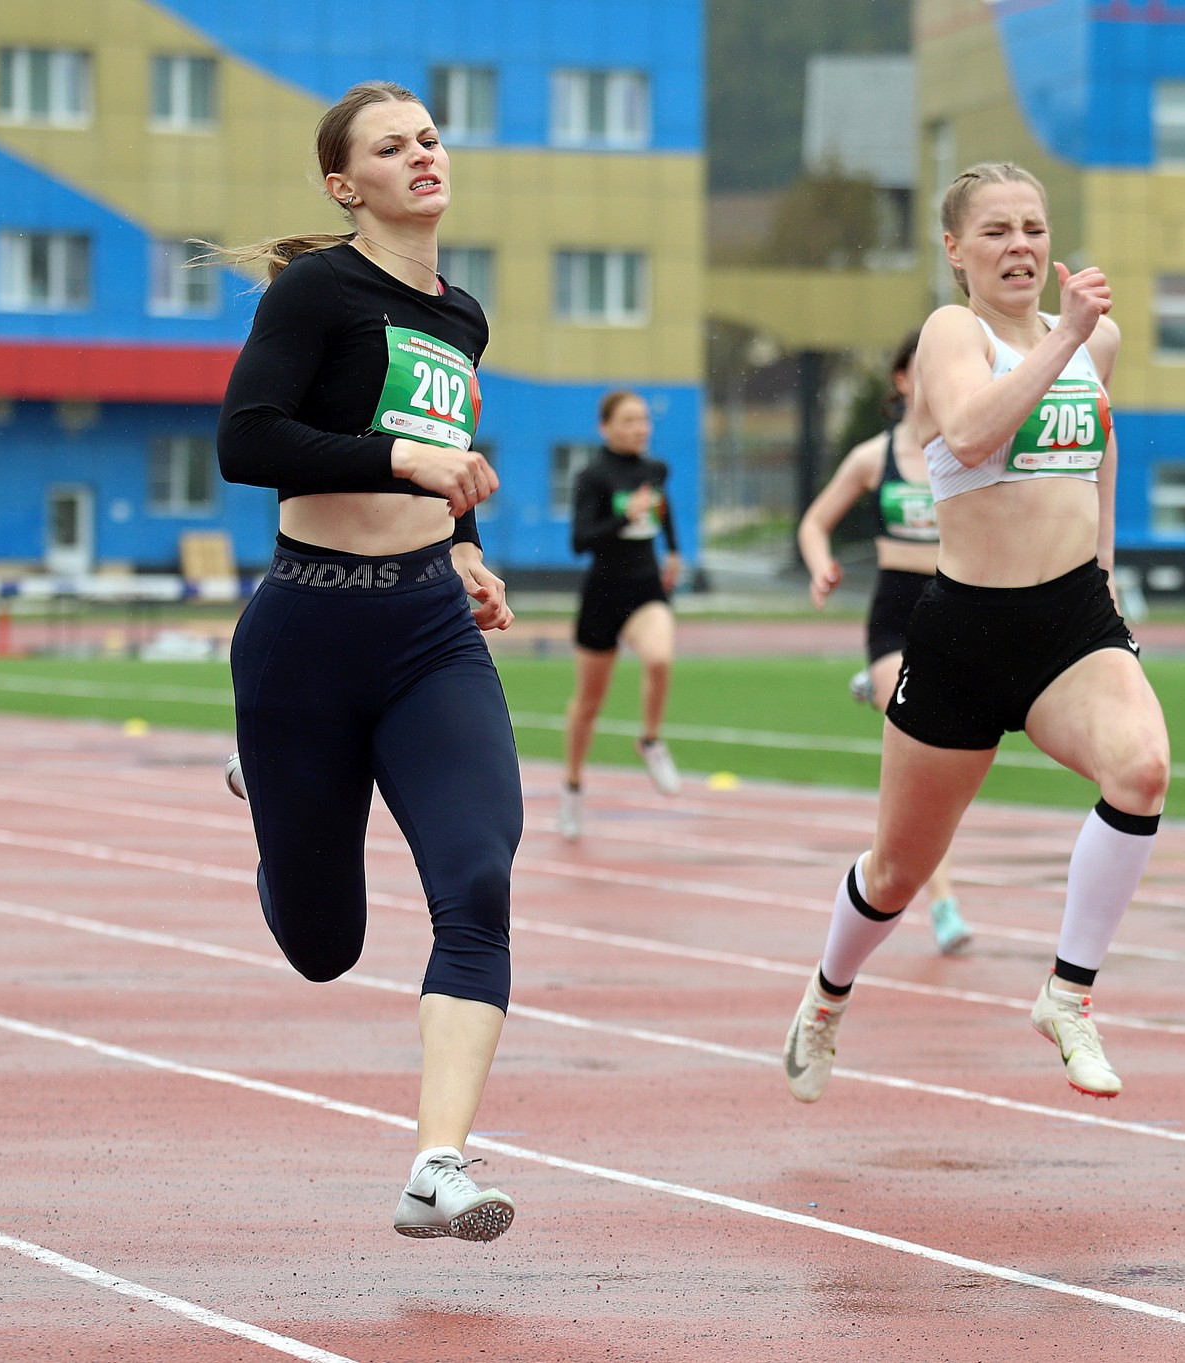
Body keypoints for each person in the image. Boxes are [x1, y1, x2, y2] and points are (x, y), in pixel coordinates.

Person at [781, 162, 1170, 1103]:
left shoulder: (1094, 339)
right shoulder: (953, 333)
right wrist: (1066, 336)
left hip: (1071, 619)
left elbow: (1103, 440)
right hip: (963, 630)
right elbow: (966, 435)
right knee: (899, 868)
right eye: (995, 231)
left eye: (1033, 228)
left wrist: (1110, 567)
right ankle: (828, 994)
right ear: (954, 250)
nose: (1021, 247)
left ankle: (1067, 995)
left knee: (1144, 767)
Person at [215, 80, 521, 1240]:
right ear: (347, 186)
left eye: (430, 138)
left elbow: (443, 454)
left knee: (479, 879)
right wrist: (403, 463)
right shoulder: (316, 291)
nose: (422, 156)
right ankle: (267, 772)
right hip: (305, 635)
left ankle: (436, 1160)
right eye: (392, 148)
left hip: (426, 634)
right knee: (321, 946)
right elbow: (248, 440)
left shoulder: (461, 312)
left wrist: (468, 546)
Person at [795, 331, 972, 955]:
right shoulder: (874, 457)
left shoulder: (969, 446)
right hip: (897, 612)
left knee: (952, 769)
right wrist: (821, 566)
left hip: (959, 607)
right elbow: (815, 522)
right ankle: (945, 903)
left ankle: (880, 685)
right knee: (921, 771)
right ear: (901, 380)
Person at [558, 390, 684, 838]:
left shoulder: (655, 470)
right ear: (605, 427)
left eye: (644, 420)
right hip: (602, 596)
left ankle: (650, 740)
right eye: (629, 420)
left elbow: (663, 510)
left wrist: (673, 551)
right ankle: (572, 787)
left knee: (660, 659)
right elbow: (580, 541)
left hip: (646, 588)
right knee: (589, 703)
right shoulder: (593, 475)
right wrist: (623, 518)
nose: (640, 428)